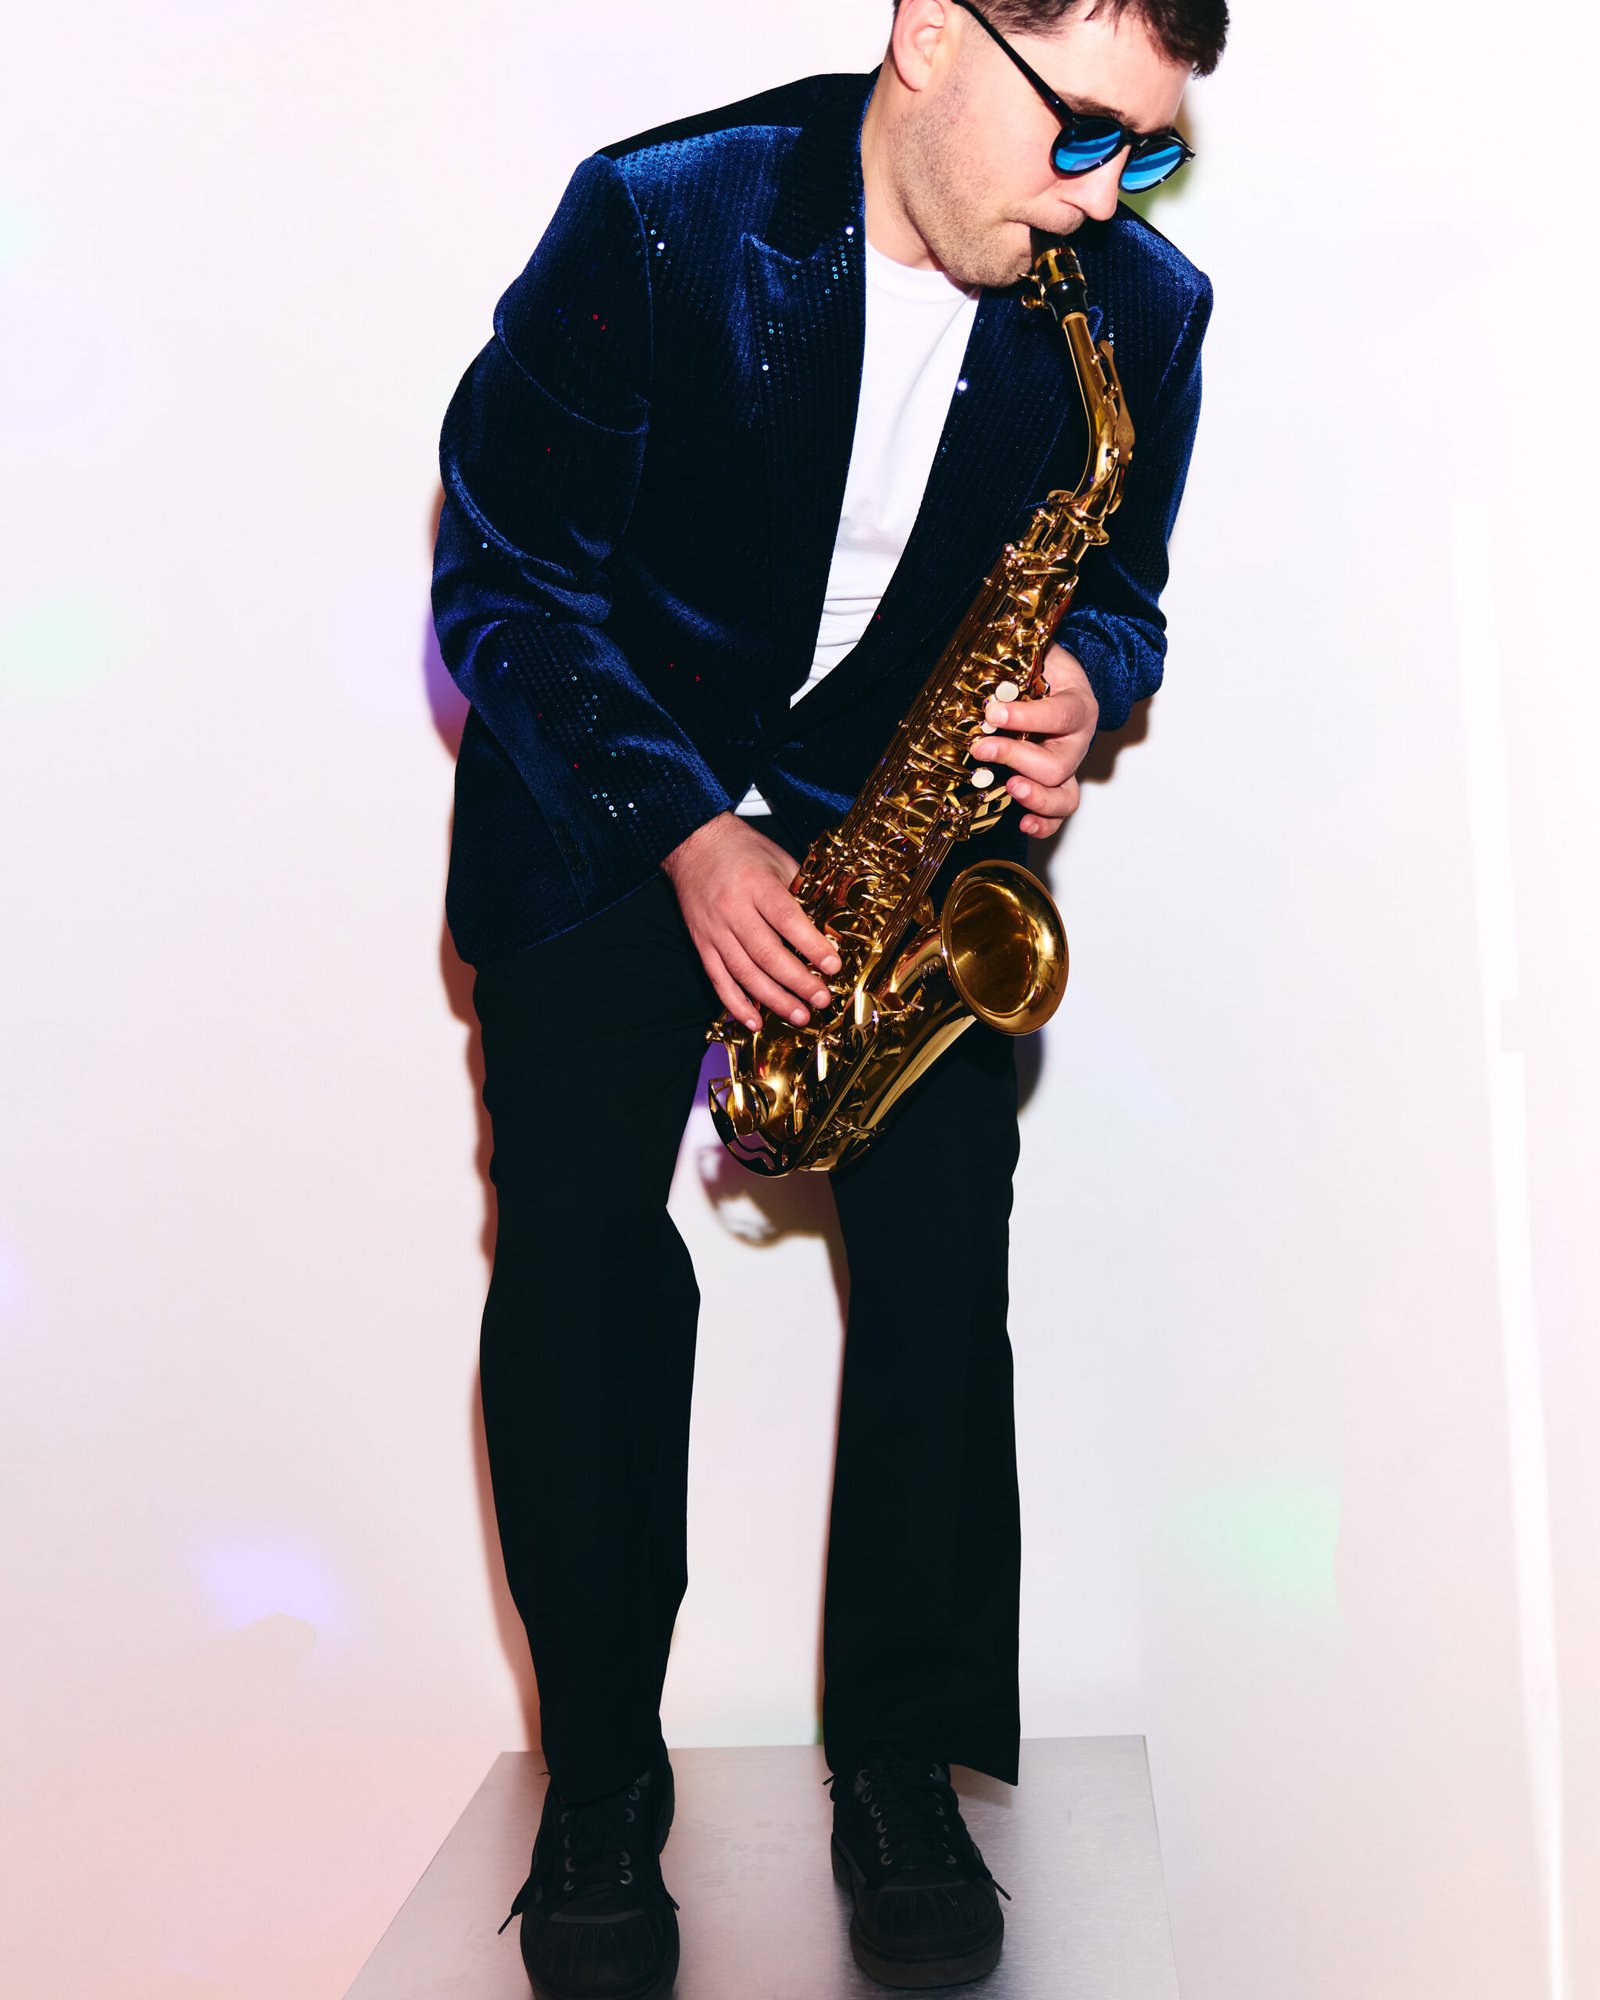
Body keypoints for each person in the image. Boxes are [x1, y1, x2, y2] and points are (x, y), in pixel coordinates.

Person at [430, 1, 1226, 1992]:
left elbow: (1120, 587)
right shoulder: (657, 219)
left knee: (945, 1246)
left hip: (899, 828)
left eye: (1142, 150)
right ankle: (600, 1781)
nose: (1100, 196)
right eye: (1080, 129)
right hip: (609, 800)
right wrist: (688, 835)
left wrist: (1086, 682)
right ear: (928, 36)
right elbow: (503, 582)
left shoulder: (1136, 311)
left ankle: (897, 1762)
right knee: (581, 1264)